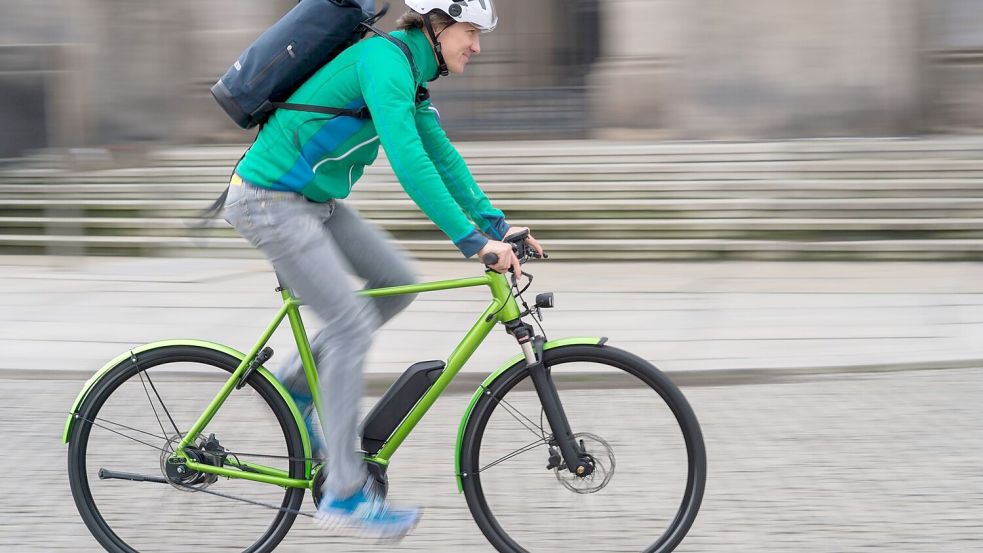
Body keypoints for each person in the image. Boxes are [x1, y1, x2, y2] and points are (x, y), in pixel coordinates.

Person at [223, 0, 543, 539]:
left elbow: (440, 155)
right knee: (349, 326)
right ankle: (345, 494)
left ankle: (296, 389)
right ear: (438, 25)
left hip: (312, 202)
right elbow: (408, 159)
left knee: (396, 283)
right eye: (470, 32)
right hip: (268, 199)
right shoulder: (384, 62)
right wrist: (471, 242)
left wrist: (495, 224)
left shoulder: (410, 74)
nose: (477, 46)